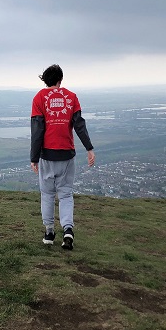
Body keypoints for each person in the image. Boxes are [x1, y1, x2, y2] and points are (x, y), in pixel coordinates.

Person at [30, 64, 95, 250]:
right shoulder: (71, 97)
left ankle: (49, 232)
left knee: (47, 194)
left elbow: (37, 130)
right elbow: (79, 126)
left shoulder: (39, 98)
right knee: (65, 194)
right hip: (67, 154)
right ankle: (67, 230)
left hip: (47, 155)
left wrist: (34, 158)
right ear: (61, 79)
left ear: (45, 80)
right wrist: (89, 148)